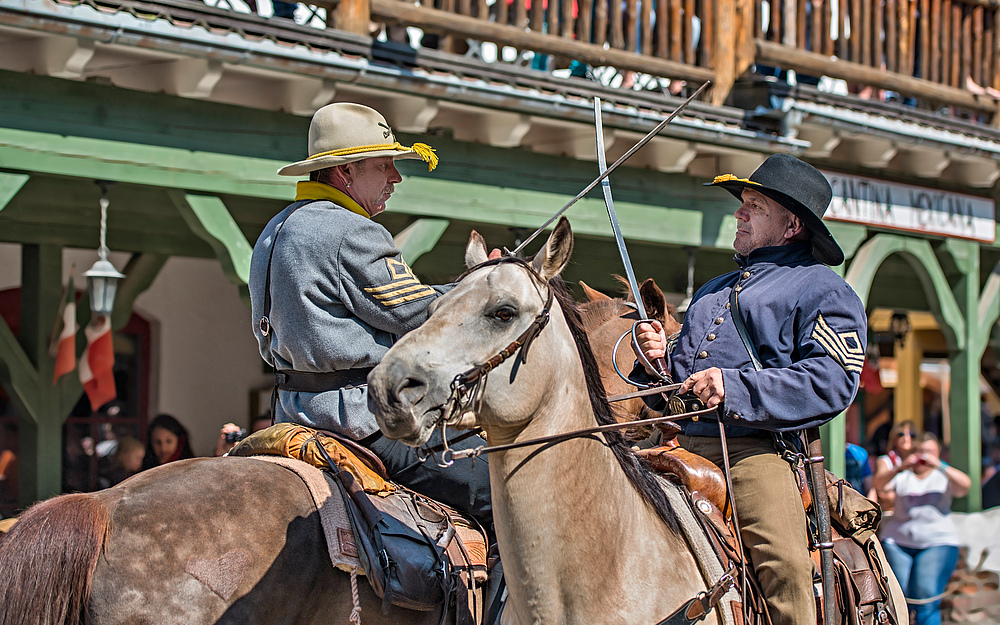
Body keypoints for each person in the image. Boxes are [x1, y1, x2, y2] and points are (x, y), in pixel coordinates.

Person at [632, 153, 867, 625]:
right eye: (743, 203)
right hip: (672, 443)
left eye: (755, 206)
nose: (739, 212)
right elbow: (670, 389)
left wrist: (734, 389)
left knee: (786, 573)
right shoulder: (714, 289)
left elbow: (832, 381)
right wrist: (654, 360)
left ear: (791, 225)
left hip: (753, 455)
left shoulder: (824, 289)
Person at [248, 102, 493, 532]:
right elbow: (418, 313)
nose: (395, 178)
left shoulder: (275, 228)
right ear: (345, 173)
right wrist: (486, 286)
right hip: (361, 420)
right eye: (384, 166)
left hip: (292, 412)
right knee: (499, 487)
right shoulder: (351, 230)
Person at [875, 432, 971, 625]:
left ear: (938, 454)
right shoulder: (904, 476)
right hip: (898, 543)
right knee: (898, 597)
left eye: (929, 452)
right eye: (919, 451)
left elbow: (965, 486)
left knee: (926, 595)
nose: (923, 456)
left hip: (937, 543)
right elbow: (880, 485)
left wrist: (939, 465)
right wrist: (901, 467)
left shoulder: (942, 476)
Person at [874, 420, 918, 514]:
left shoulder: (920, 461)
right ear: (893, 438)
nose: (907, 438)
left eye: (912, 435)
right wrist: (899, 469)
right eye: (901, 434)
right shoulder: (885, 461)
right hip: (892, 517)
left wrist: (894, 497)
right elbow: (878, 486)